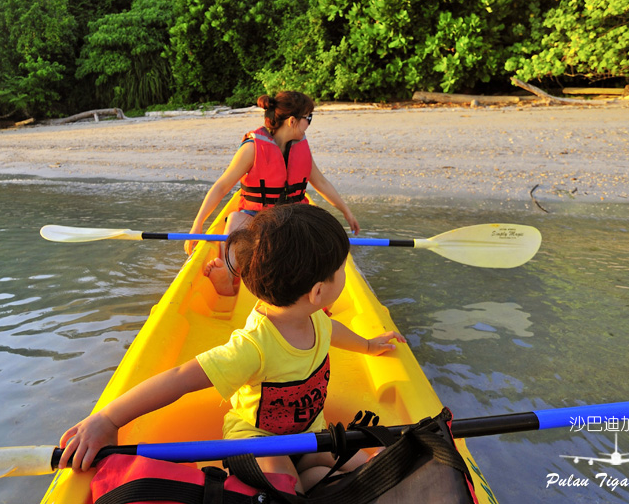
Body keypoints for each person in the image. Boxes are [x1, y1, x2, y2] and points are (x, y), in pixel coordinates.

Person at [59, 204, 404, 493]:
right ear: (316, 292)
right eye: (341, 268)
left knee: (367, 468)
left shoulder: (315, 317)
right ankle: (301, 485)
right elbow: (180, 378)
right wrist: (107, 418)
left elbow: (332, 331)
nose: (345, 271)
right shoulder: (252, 347)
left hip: (310, 434)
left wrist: (368, 345)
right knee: (286, 491)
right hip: (256, 442)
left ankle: (313, 479)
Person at [184, 91, 360, 297]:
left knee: (315, 227)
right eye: (308, 118)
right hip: (257, 217)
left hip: (292, 217)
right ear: (293, 121)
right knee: (234, 220)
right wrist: (197, 225)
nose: (309, 124)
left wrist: (347, 212)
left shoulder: (300, 146)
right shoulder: (252, 148)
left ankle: (311, 280)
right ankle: (229, 280)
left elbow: (320, 182)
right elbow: (222, 186)